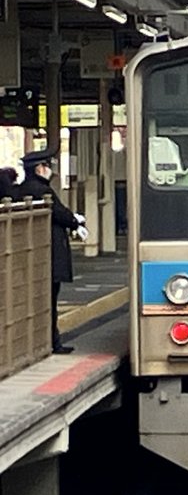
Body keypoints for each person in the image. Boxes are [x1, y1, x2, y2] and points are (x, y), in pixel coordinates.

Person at [18, 150, 87, 354]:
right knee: (48, 300)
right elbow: (60, 213)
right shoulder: (42, 191)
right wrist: (75, 221)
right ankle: (51, 343)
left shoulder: (23, 189)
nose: (50, 170)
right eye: (48, 166)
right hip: (46, 256)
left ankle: (42, 341)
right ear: (40, 168)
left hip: (31, 255)